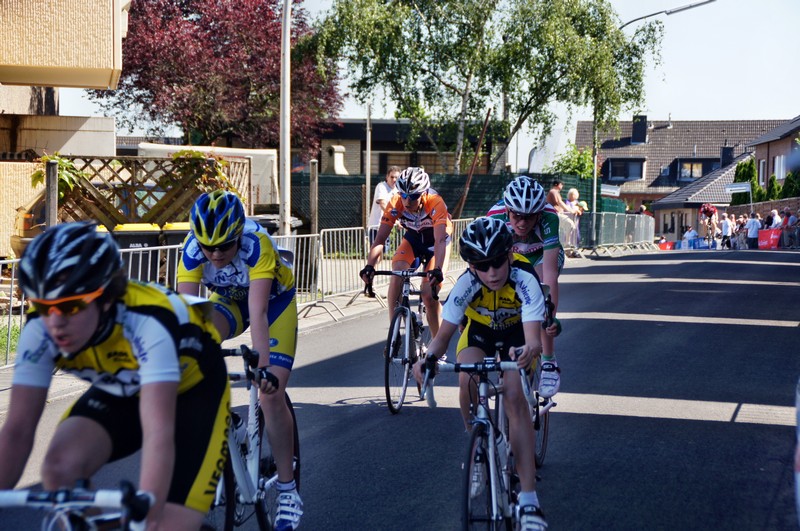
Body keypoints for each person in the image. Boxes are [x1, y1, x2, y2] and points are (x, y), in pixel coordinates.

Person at [0, 222, 229, 530]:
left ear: (106, 298)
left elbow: (159, 433)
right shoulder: (39, 330)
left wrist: (148, 512)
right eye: (42, 306)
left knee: (164, 523)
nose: (55, 323)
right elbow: (17, 430)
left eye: (70, 306)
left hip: (192, 390)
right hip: (124, 386)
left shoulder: (149, 323)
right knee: (59, 470)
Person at [176, 190, 302, 530]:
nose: (215, 254)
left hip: (273, 303)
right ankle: (223, 421)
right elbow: (187, 317)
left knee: (270, 395)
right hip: (230, 300)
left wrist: (263, 370)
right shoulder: (191, 251)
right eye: (208, 247)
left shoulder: (256, 244)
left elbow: (258, 313)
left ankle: (288, 491)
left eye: (224, 246)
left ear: (237, 237)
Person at [413, 217, 548, 530]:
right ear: (471, 266)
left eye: (498, 262)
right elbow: (443, 336)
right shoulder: (466, 284)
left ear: (510, 255)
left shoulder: (524, 279)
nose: (492, 273)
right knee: (467, 378)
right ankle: (477, 445)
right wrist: (427, 360)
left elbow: (533, 340)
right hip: (480, 332)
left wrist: (529, 351)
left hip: (517, 334)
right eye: (482, 266)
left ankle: (529, 500)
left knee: (514, 397)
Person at [486, 176, 562, 398]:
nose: (522, 223)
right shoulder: (495, 217)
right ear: (507, 210)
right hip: (512, 254)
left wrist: (550, 315)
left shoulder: (549, 217)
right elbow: (489, 266)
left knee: (539, 294)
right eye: (517, 216)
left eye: (529, 217)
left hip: (540, 257)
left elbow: (550, 273)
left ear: (539, 214)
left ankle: (548, 361)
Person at [360, 167, 452, 337]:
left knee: (428, 295)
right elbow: (379, 240)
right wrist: (369, 266)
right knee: (397, 274)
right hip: (413, 239)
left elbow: (440, 241)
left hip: (437, 244)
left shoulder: (435, 202)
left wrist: (438, 269)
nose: (407, 201)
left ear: (423, 194)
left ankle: (438, 344)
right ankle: (394, 334)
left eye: (413, 196)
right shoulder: (395, 202)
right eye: (403, 195)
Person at [367, 165, 400, 244]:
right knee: (376, 250)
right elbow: (383, 204)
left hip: (388, 227)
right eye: (392, 177)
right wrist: (395, 219)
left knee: (386, 251)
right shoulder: (381, 186)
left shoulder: (397, 191)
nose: (394, 179)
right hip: (376, 227)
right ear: (387, 177)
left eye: (396, 177)